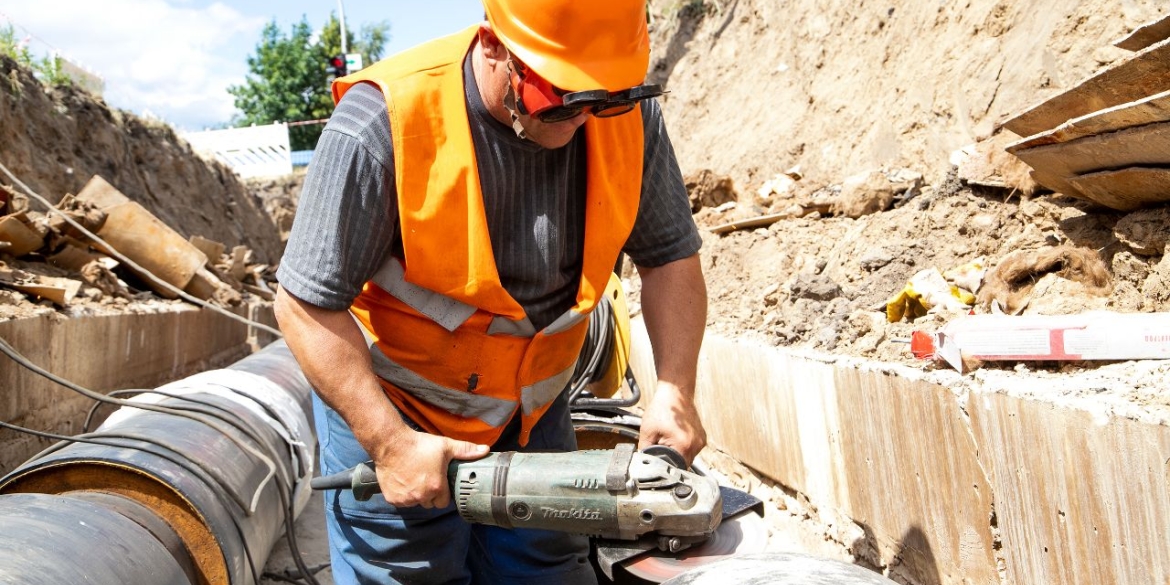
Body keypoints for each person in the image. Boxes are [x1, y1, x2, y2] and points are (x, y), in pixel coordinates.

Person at [274, 0, 708, 582]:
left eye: (606, 97)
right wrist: (388, 443)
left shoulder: (615, 111)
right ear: (494, 45)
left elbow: (670, 259)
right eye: (563, 97)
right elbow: (304, 303)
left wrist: (675, 390)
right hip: (400, 413)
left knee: (543, 572)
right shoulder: (384, 124)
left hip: (534, 416)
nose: (585, 117)